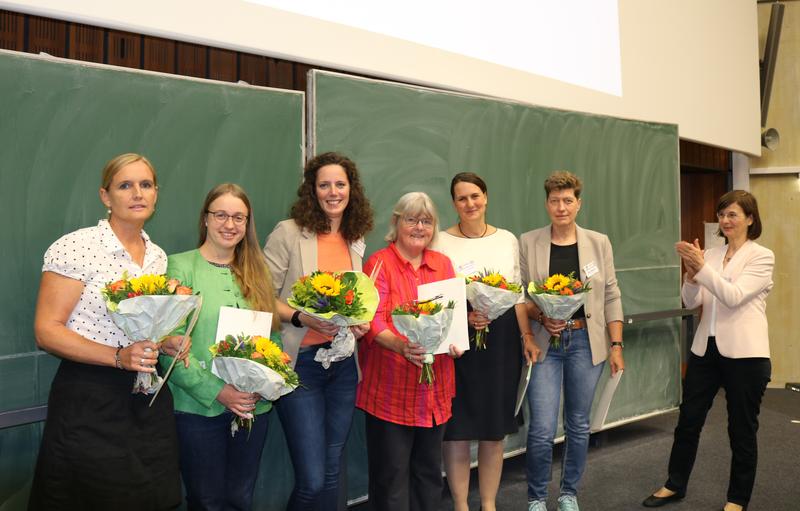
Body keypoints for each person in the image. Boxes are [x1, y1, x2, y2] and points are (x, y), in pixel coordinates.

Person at [29, 153, 188, 510]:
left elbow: (140, 327)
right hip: (89, 396)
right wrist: (117, 357)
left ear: (156, 193)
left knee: (149, 497)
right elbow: (47, 331)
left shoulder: (157, 257)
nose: (137, 193)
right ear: (105, 196)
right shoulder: (77, 247)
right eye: (125, 185)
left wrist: (165, 343)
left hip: (146, 396)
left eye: (145, 185)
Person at [643, 190, 773, 511]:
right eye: (722, 214)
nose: (725, 220)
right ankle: (675, 484)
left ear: (750, 219)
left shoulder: (762, 256)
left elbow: (733, 296)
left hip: (746, 356)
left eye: (733, 214)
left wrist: (700, 268)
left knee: (741, 429)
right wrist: (690, 275)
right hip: (706, 349)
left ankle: (737, 499)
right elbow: (692, 302)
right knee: (688, 420)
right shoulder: (713, 256)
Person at [263, 152, 374, 510]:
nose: (333, 192)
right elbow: (262, 296)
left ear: (350, 189)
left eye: (340, 184)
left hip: (342, 366)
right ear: (312, 190)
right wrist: (302, 318)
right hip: (301, 365)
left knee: (330, 473)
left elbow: (355, 300)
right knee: (312, 479)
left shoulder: (354, 238)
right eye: (324, 184)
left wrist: (359, 323)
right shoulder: (289, 233)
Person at [161, 183, 282, 511]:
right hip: (198, 410)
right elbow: (168, 346)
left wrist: (265, 384)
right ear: (205, 219)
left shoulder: (257, 272)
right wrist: (221, 392)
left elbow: (274, 340)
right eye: (221, 215)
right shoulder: (179, 268)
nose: (230, 225)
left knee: (240, 498)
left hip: (253, 407)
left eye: (239, 218)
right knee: (207, 501)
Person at [520, 170, 625, 511]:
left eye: (568, 200)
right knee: (541, 427)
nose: (561, 207)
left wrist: (616, 345)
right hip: (545, 344)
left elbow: (610, 295)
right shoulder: (528, 242)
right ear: (546, 203)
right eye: (554, 201)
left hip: (586, 342)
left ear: (579, 204)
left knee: (579, 424)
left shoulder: (598, 242)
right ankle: (536, 497)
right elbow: (521, 298)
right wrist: (541, 317)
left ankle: (568, 494)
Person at [434, 172, 539, 511]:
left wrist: (526, 336)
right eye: (462, 198)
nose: (470, 204)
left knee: (494, 429)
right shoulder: (439, 241)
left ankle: (490, 504)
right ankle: (462, 505)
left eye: (475, 196)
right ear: (453, 203)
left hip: (502, 341)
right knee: (458, 429)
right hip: (458, 343)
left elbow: (517, 294)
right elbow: (436, 297)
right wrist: (466, 317)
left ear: (486, 197)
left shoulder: (507, 239)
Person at [358, 191, 463, 511]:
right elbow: (372, 320)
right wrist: (403, 346)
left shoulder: (443, 264)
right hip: (391, 392)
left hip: (435, 391)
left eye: (427, 221)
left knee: (429, 475)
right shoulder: (380, 263)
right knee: (390, 478)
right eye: (411, 219)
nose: (419, 227)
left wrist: (457, 342)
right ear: (396, 222)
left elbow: (452, 317)